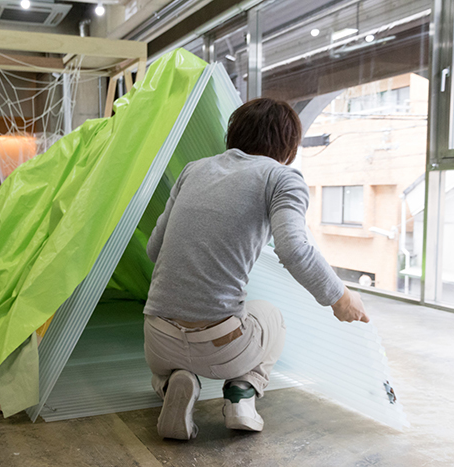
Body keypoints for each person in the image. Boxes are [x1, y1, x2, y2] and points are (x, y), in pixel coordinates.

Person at [143, 97, 369, 440]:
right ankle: (242, 396)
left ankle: (172, 383)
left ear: (233, 135)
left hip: (157, 339)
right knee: (271, 317)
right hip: (222, 349)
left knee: (167, 365)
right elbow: (294, 248)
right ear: (289, 147)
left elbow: (153, 250)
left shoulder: (193, 170)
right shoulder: (281, 178)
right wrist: (342, 298)